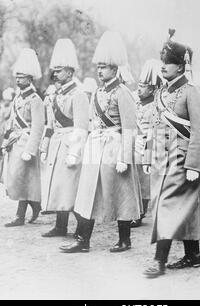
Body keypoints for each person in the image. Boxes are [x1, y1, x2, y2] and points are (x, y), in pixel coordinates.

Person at [60, 31, 142, 253]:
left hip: (115, 147)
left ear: (115, 69)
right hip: (96, 146)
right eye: (98, 66)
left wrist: (125, 157)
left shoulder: (123, 92)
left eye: (104, 67)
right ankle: (83, 240)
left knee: (121, 192)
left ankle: (125, 240)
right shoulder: (96, 92)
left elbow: (130, 128)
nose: (99, 70)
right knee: (88, 193)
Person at [141, 30, 200, 278]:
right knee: (183, 208)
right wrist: (148, 157)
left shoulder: (193, 92)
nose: (163, 68)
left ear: (181, 66)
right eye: (162, 63)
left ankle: (159, 260)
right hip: (161, 162)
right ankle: (193, 255)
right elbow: (152, 129)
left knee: (167, 208)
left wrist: (194, 165)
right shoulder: (160, 94)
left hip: (182, 162)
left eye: (167, 63)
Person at [40, 38, 89, 238]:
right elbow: (50, 125)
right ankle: (60, 226)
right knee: (59, 186)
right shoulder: (54, 95)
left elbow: (81, 127)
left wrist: (74, 153)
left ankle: (81, 230)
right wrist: (44, 146)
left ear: (69, 72)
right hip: (56, 145)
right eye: (55, 70)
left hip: (71, 145)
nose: (55, 74)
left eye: (59, 70)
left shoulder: (79, 95)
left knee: (72, 188)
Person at [2, 48, 45, 227]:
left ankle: (21, 215)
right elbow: (11, 119)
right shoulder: (17, 98)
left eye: (21, 77)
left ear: (30, 78)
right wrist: (7, 136)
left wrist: (31, 149)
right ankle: (35, 205)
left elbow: (37, 127)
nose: (18, 79)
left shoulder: (35, 100)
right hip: (15, 142)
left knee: (24, 179)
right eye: (17, 76)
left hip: (26, 143)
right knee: (16, 179)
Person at [131, 59, 164, 228]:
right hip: (133, 143)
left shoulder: (155, 106)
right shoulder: (136, 102)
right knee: (133, 180)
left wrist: (148, 151)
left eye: (143, 85)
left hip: (145, 145)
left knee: (144, 182)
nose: (139, 88)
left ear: (152, 88)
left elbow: (152, 132)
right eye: (139, 84)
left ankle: (140, 213)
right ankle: (134, 210)